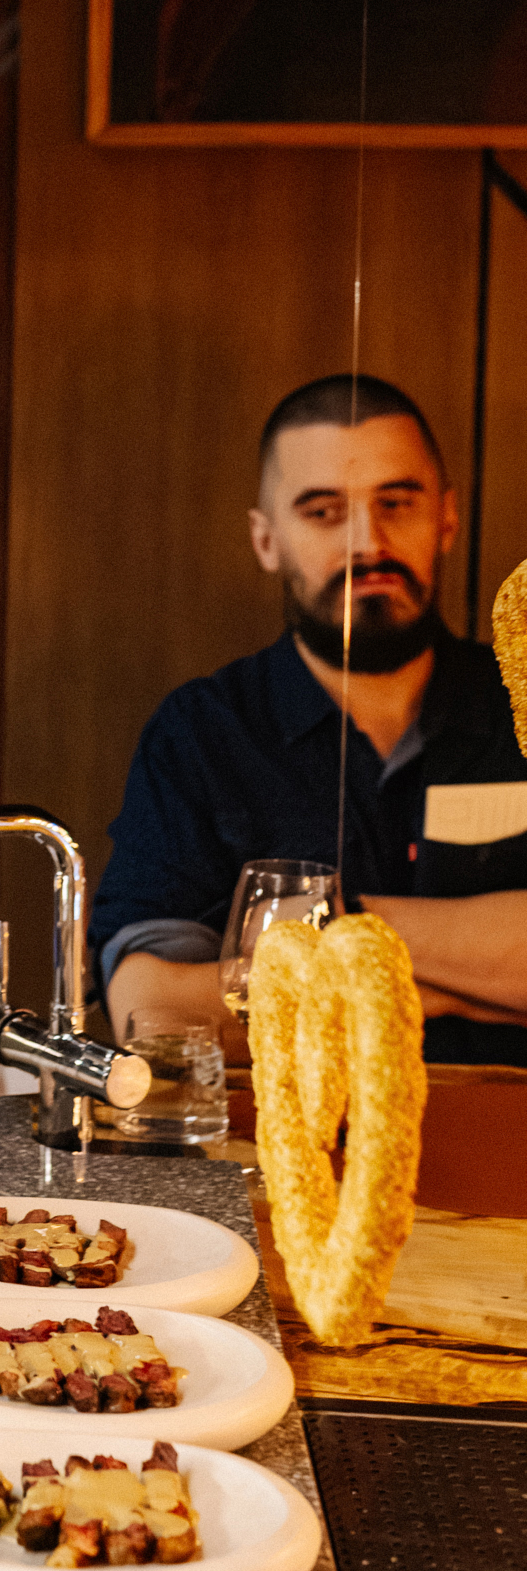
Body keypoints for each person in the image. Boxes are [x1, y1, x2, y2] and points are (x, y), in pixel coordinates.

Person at [91, 372, 527, 1065]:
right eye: (324, 512)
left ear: (446, 518)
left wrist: (333, 931)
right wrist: (455, 983)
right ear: (267, 540)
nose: (368, 543)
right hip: (279, 1135)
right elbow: (155, 1015)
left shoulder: (519, 698)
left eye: (396, 503)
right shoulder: (201, 734)